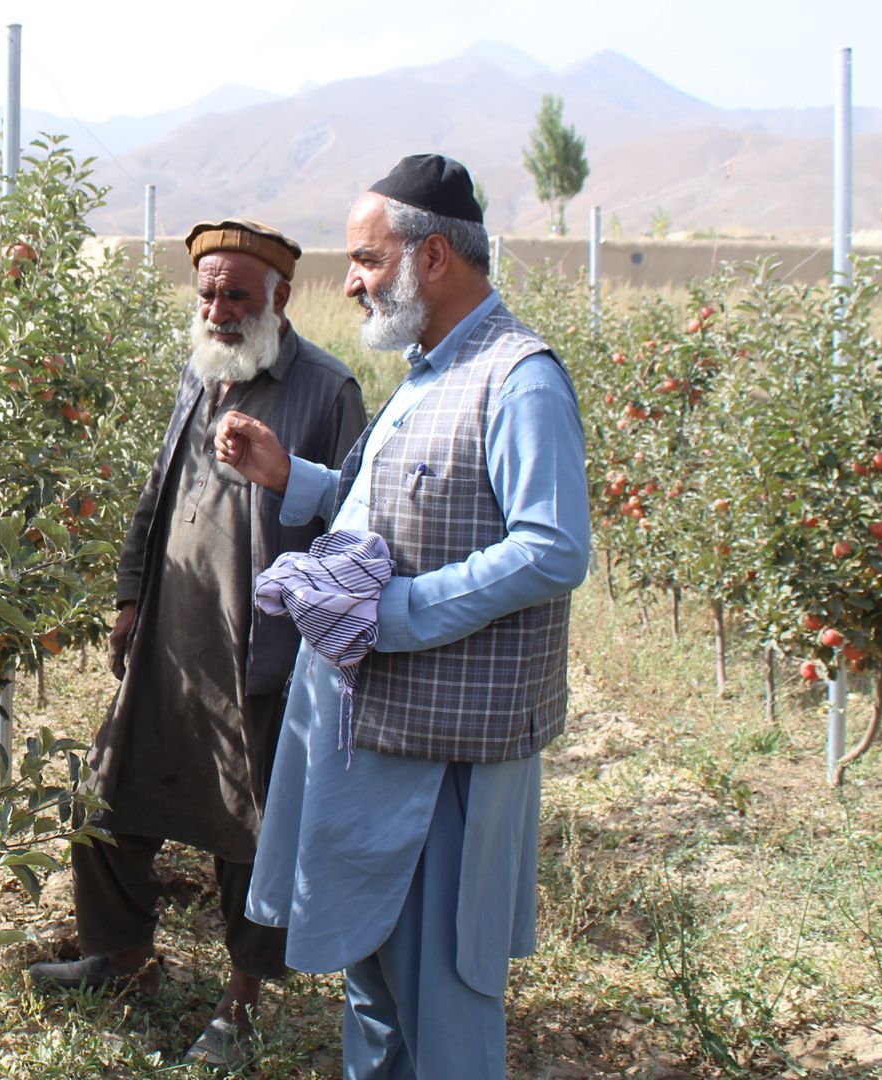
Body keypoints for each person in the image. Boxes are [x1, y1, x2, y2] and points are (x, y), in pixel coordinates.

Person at [215, 153, 589, 1077]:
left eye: (367, 260)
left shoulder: (519, 379)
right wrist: (290, 477)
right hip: (376, 735)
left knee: (442, 1003)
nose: (351, 283)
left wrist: (399, 612)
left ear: (433, 259)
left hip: (446, 761)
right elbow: (387, 503)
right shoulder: (428, 371)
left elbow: (552, 547)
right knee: (375, 985)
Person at [28, 219, 366, 1066]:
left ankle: (241, 1002)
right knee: (107, 796)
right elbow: (160, 488)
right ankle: (121, 955)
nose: (218, 310)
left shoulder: (327, 391)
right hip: (170, 637)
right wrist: (129, 595)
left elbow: (359, 521)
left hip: (259, 653)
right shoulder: (201, 370)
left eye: (237, 295)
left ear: (280, 299)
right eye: (208, 293)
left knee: (251, 830)